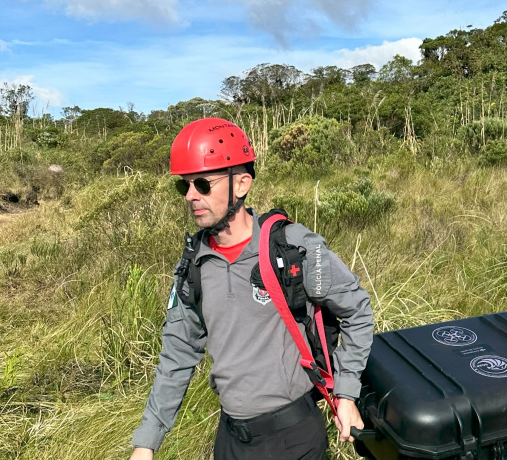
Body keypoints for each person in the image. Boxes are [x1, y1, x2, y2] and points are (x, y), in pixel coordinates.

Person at [130, 118, 374, 460]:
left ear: (241, 183)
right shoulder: (194, 265)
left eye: (202, 184)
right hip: (230, 438)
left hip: (294, 438)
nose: (190, 196)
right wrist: (147, 442)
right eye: (183, 186)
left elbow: (357, 310)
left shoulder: (294, 249)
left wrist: (347, 395)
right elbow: (178, 352)